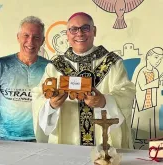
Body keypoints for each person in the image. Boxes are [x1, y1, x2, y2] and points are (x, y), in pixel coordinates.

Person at [32, 12, 136, 148]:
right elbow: (39, 96)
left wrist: (104, 101)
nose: (79, 33)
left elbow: (126, 93)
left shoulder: (112, 63)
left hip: (102, 141)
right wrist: (51, 105)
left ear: (94, 31)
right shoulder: (55, 66)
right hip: (67, 143)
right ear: (67, 35)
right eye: (73, 29)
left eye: (85, 28)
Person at [0, 16, 49, 141]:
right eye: (26, 35)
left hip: (40, 139)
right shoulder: (1, 65)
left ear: (42, 40)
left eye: (36, 37)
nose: (30, 41)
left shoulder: (50, 68)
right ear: (18, 37)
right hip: (4, 138)